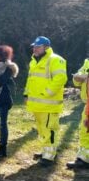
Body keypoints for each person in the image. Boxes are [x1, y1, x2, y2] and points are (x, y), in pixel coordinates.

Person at [24, 36, 67, 167]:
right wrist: (26, 94)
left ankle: (49, 157)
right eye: (34, 47)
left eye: (38, 47)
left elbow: (60, 79)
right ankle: (45, 152)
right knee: (42, 130)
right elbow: (30, 79)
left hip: (49, 104)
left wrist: (46, 93)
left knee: (49, 130)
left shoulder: (56, 60)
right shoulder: (34, 61)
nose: (35, 49)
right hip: (37, 104)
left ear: (46, 47)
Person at [66, 57, 89, 169]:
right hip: (87, 103)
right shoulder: (87, 62)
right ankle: (84, 159)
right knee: (84, 131)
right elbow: (76, 80)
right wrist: (78, 77)